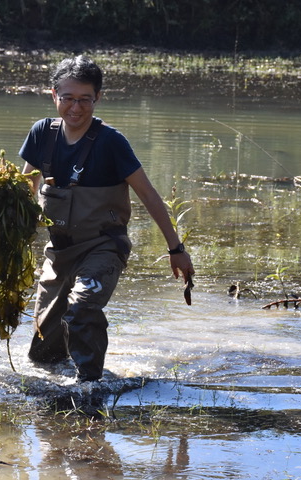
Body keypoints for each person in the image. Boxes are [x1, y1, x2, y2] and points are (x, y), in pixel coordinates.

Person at [19, 55, 195, 383]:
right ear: (53, 95)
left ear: (97, 98)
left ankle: (91, 391)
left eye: (85, 99)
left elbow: (149, 195)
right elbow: (23, 191)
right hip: (58, 254)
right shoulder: (42, 134)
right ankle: (55, 414)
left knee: (82, 309)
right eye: (68, 98)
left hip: (103, 248)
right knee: (44, 352)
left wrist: (176, 248)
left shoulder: (111, 143)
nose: (76, 107)